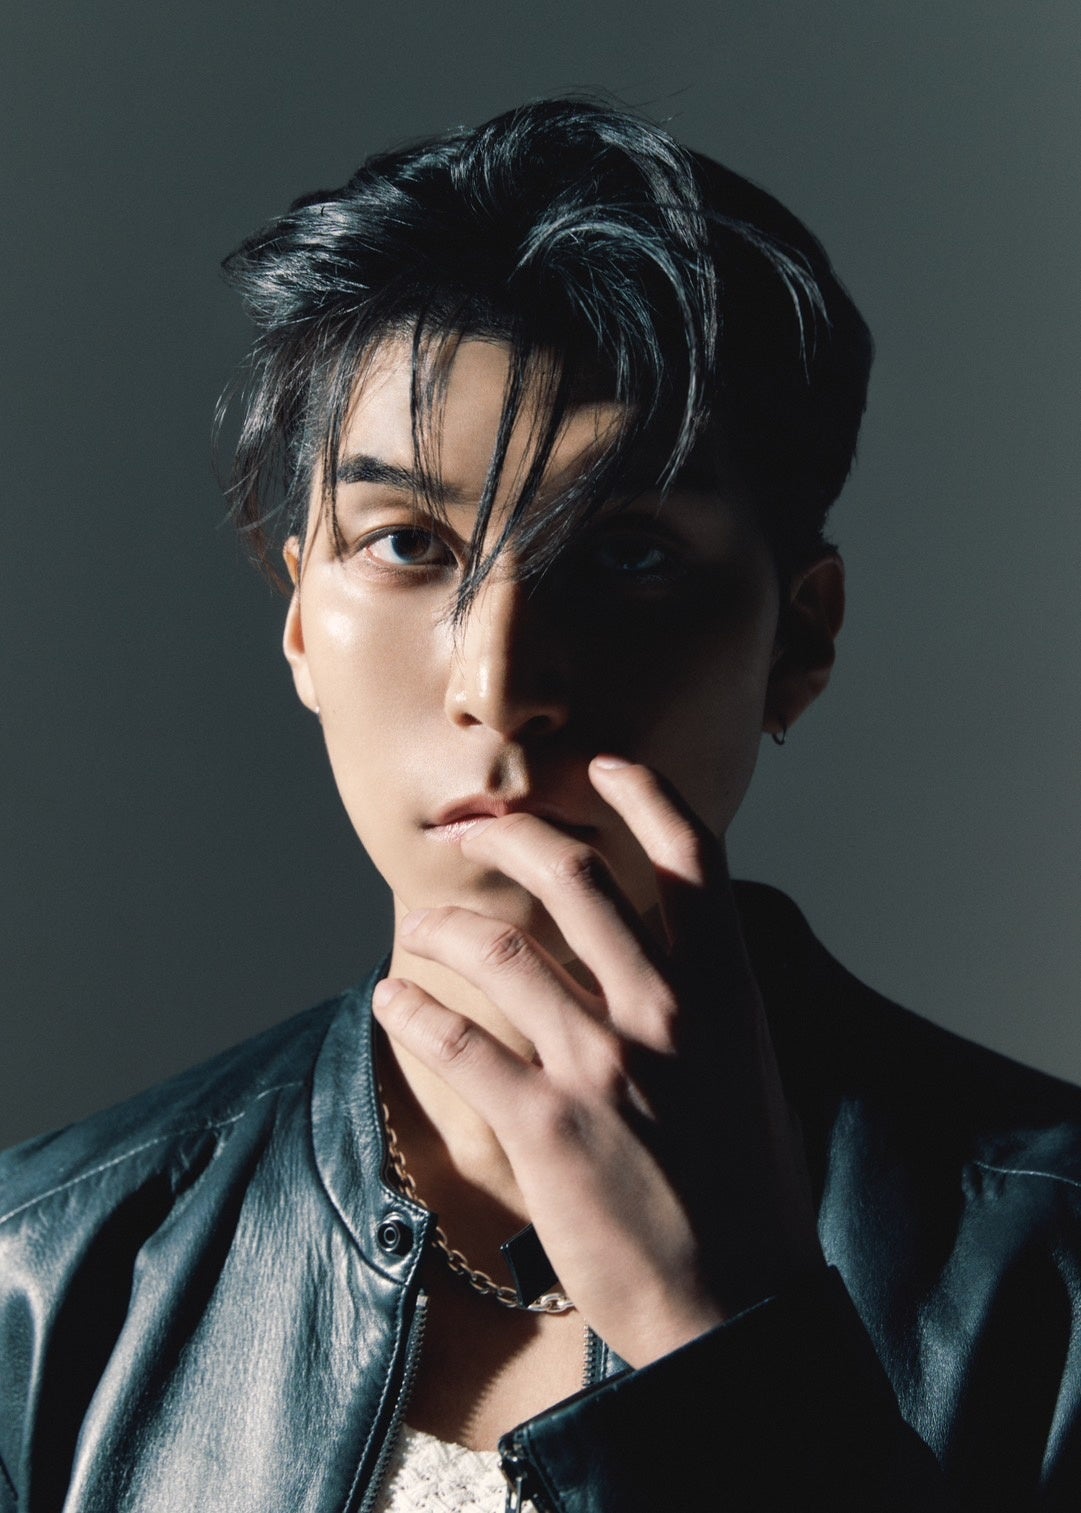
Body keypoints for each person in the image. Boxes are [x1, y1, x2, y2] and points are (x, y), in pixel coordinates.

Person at [1, 97, 1079, 1513]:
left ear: (799, 638)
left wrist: (730, 1345)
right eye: (407, 543)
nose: (500, 684)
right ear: (301, 619)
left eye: (628, 555)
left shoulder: (1056, 1267)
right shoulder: (44, 1273)